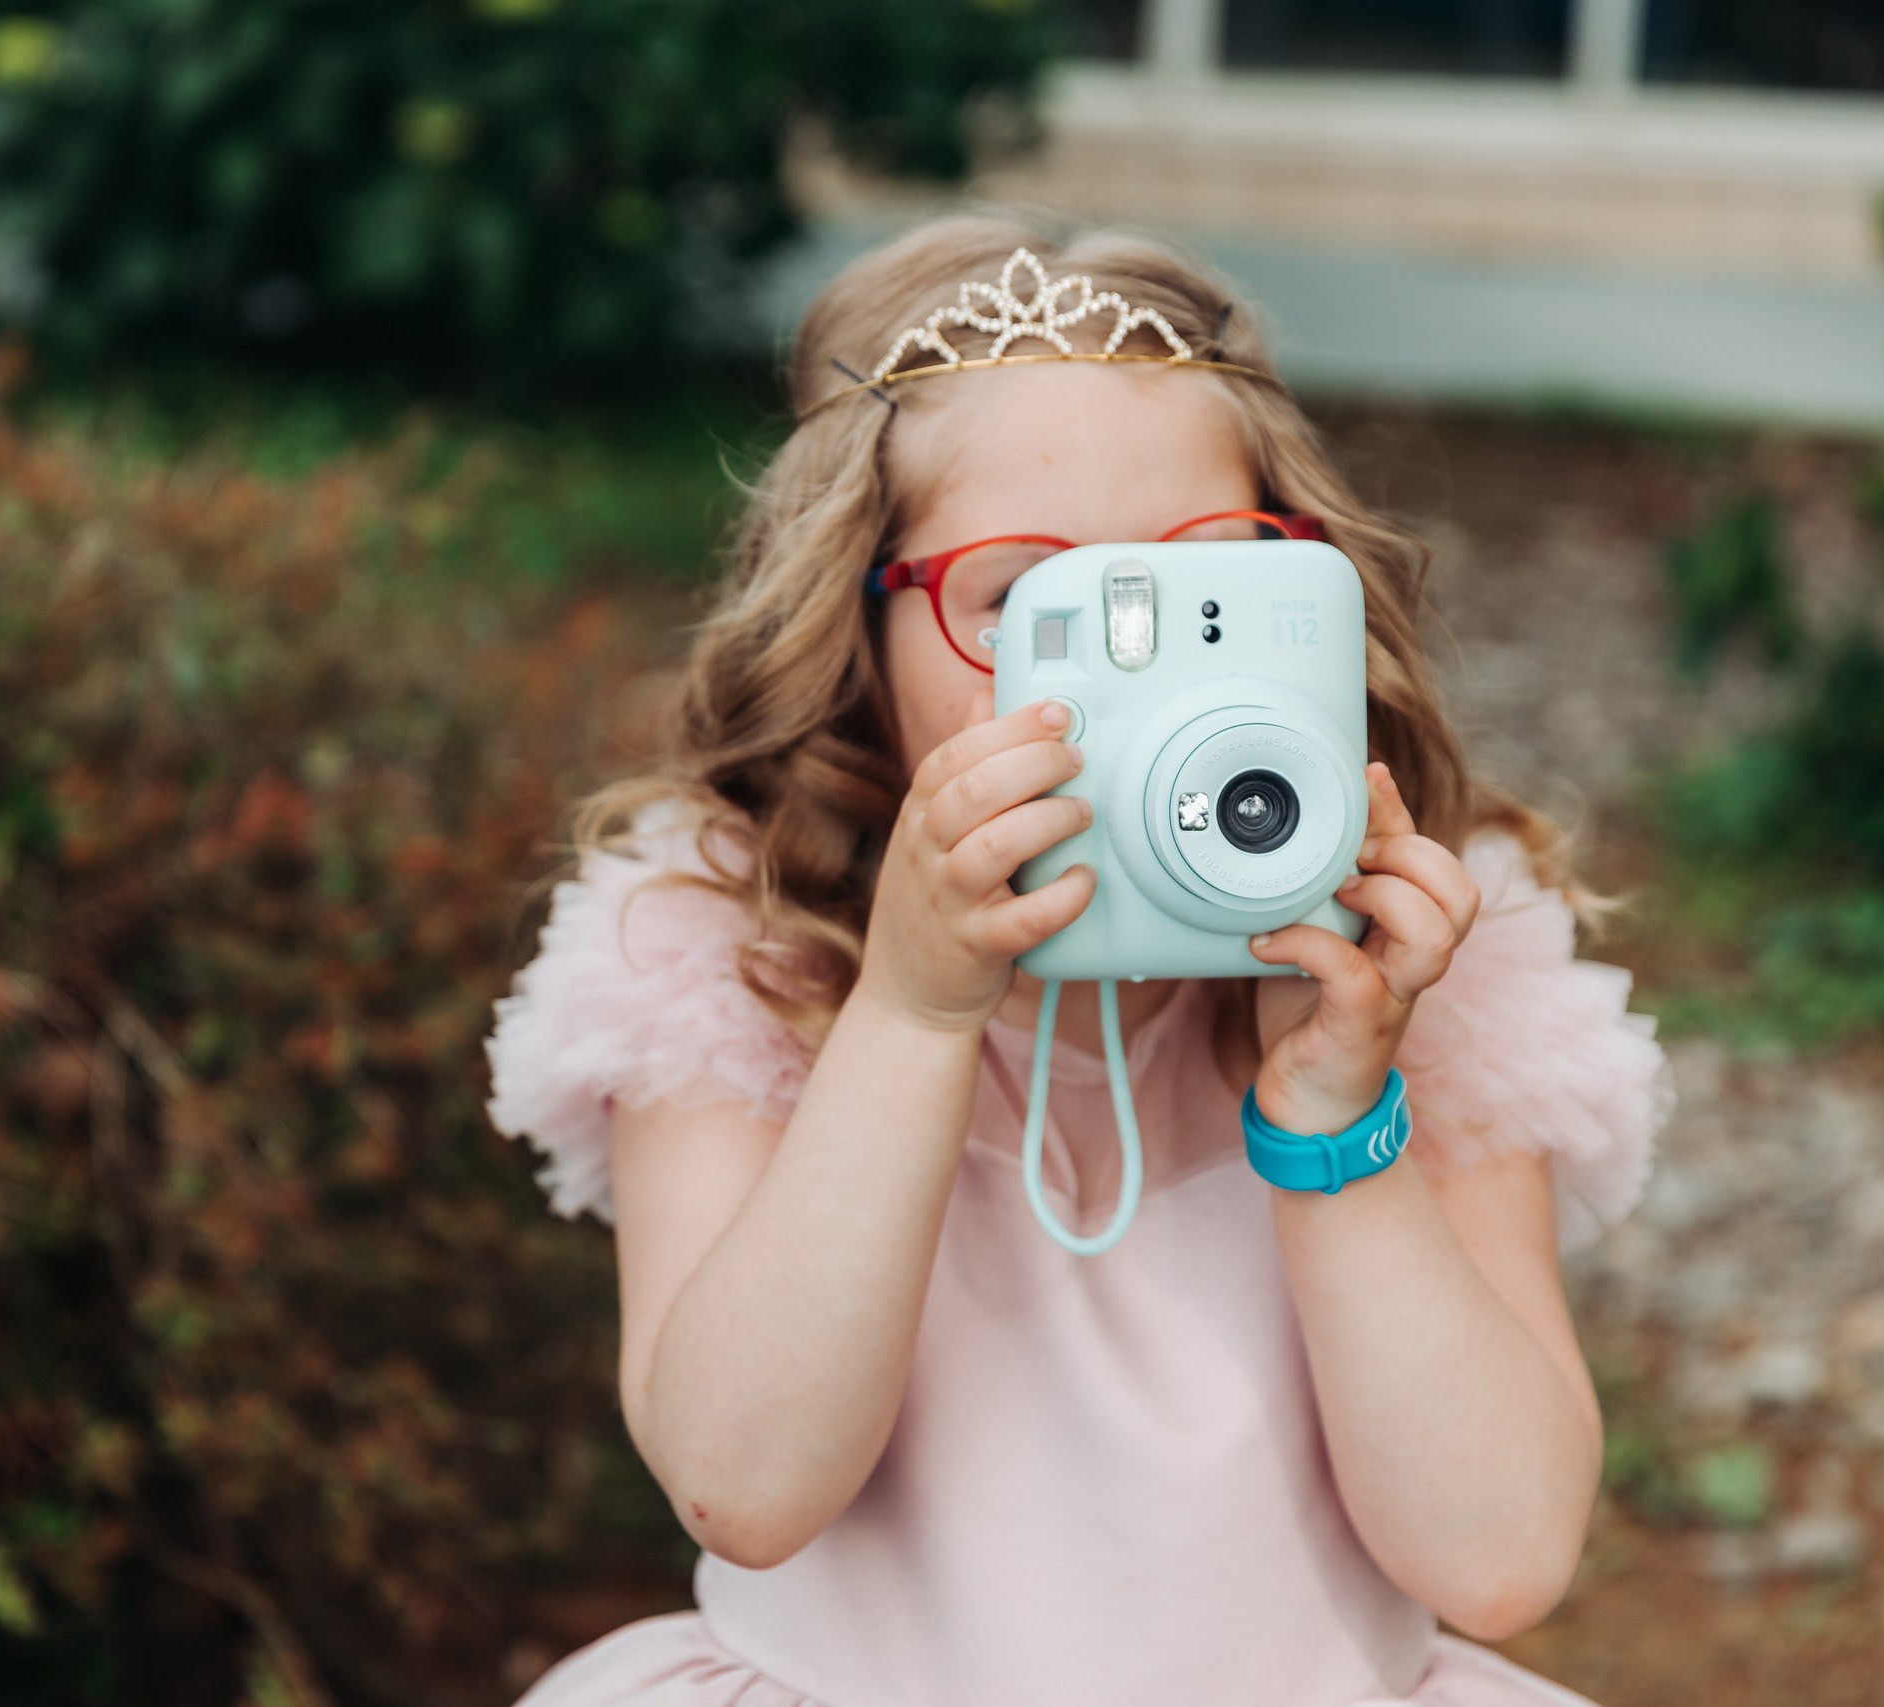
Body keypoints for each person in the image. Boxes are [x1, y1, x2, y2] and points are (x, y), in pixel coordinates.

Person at [482, 211, 1674, 1707]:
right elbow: (746, 1486)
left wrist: (1335, 1115)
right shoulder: (737, 947)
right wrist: (913, 1015)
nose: (1140, 677)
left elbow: (1498, 1557)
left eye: (1206, 589)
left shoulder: (1424, 951)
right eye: (1026, 603)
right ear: (857, 629)